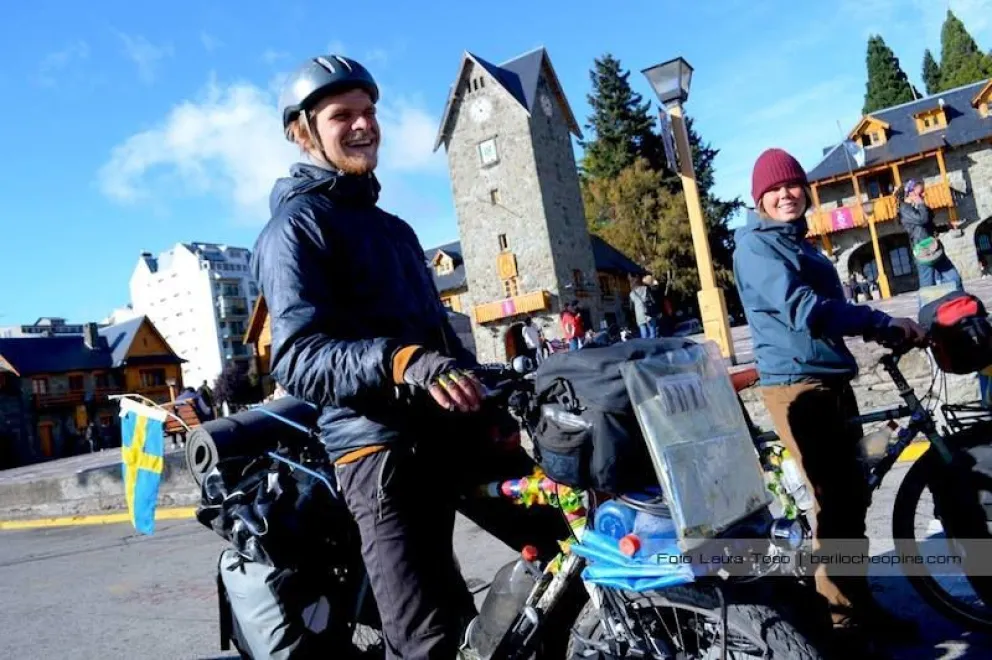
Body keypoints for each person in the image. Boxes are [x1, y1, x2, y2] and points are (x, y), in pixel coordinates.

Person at [252, 55, 570, 659]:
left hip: (453, 428)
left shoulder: (394, 229)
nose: (362, 125)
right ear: (303, 131)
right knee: (427, 639)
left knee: (567, 552)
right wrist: (399, 360)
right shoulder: (294, 229)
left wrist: (509, 386)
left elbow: (440, 348)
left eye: (369, 112)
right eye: (342, 115)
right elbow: (297, 358)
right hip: (379, 454)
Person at [733, 148, 925, 648]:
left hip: (831, 379)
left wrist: (884, 332)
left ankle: (856, 603)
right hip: (798, 385)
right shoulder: (756, 247)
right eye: (773, 190)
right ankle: (838, 620)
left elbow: (833, 308)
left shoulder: (807, 247)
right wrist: (879, 322)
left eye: (792, 185)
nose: (785, 194)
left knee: (851, 499)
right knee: (834, 501)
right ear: (760, 199)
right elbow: (806, 310)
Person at [898, 179, 962, 290]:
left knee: (954, 279)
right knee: (928, 287)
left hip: (934, 248)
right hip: (923, 250)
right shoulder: (905, 209)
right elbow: (922, 220)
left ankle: (958, 303)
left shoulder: (917, 207)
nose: (924, 194)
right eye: (920, 192)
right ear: (911, 192)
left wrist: (947, 226)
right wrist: (921, 203)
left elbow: (929, 227)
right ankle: (927, 307)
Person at [629, 275, 660, 339]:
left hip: (639, 315)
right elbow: (652, 300)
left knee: (644, 334)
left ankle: (645, 346)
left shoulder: (631, 294)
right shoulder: (645, 288)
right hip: (648, 312)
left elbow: (631, 307)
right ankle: (653, 345)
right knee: (652, 332)